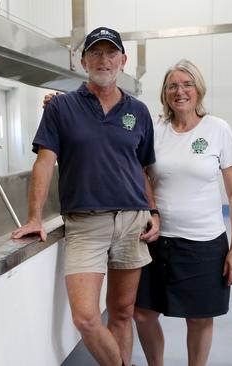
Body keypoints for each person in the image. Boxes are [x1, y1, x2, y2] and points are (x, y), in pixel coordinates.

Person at [11, 26, 160, 366]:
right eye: (95, 53)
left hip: (132, 221)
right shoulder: (62, 108)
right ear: (83, 61)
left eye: (111, 53)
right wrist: (34, 216)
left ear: (123, 61)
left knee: (122, 312)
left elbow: (142, 167)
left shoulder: (138, 111)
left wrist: (153, 210)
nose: (103, 60)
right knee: (86, 318)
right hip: (85, 224)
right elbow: (45, 163)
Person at [133, 59, 232, 366]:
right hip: (157, 241)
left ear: (198, 89)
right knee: (142, 313)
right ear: (165, 93)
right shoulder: (155, 130)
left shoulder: (217, 129)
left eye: (187, 84)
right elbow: (142, 171)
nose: (180, 91)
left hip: (204, 243)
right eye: (172, 86)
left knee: (198, 319)